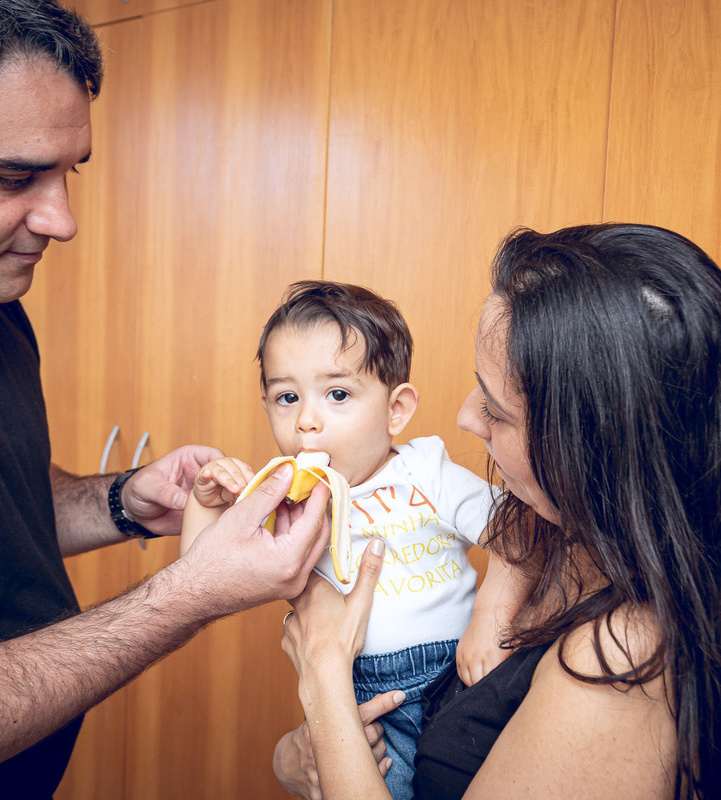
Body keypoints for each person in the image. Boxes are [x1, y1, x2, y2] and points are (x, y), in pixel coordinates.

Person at [0, 2, 331, 798]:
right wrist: (189, 595)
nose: (61, 221)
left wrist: (123, 501)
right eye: (16, 176)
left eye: (69, 172)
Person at [274, 224, 721, 799]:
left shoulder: (619, 665)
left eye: (495, 410)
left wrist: (324, 675)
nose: (467, 418)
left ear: (590, 450)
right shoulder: (562, 543)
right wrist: (298, 758)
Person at [182, 281, 532, 800]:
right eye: (286, 397)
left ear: (396, 410)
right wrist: (206, 502)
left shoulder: (426, 471)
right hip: (365, 697)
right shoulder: (285, 498)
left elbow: (520, 525)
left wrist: (491, 617)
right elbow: (201, 578)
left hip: (456, 672)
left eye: (338, 394)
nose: (306, 420)